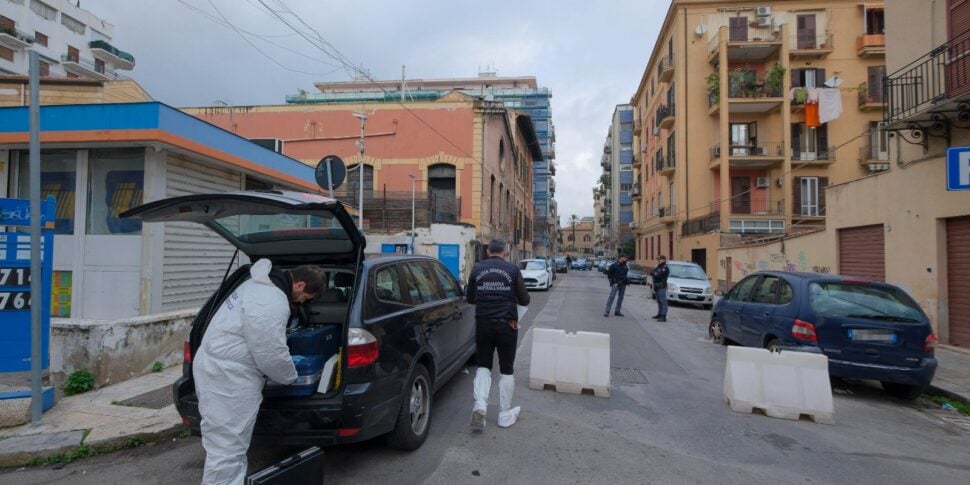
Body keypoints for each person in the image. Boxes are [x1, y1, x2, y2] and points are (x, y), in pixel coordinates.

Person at [193, 259, 327, 484]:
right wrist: (291, 377)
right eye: (306, 299)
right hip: (229, 378)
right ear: (300, 285)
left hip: (215, 369)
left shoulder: (253, 286)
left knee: (222, 445)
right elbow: (270, 354)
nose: (303, 304)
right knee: (228, 448)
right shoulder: (272, 301)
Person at [466, 239, 530, 431]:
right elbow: (525, 300)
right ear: (505, 252)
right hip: (507, 325)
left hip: (483, 324)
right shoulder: (512, 270)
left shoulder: (477, 269)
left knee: (484, 365)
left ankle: (480, 405)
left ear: (487, 252)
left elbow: (470, 298)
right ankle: (504, 414)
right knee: (506, 369)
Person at [651, 255, 670, 322]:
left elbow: (658, 275)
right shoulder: (658, 266)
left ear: (663, 260)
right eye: (658, 260)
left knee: (663, 301)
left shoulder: (665, 267)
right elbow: (652, 272)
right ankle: (659, 314)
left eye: (659, 259)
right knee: (658, 300)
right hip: (656, 286)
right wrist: (655, 273)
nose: (658, 261)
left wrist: (655, 274)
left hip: (662, 286)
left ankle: (664, 316)